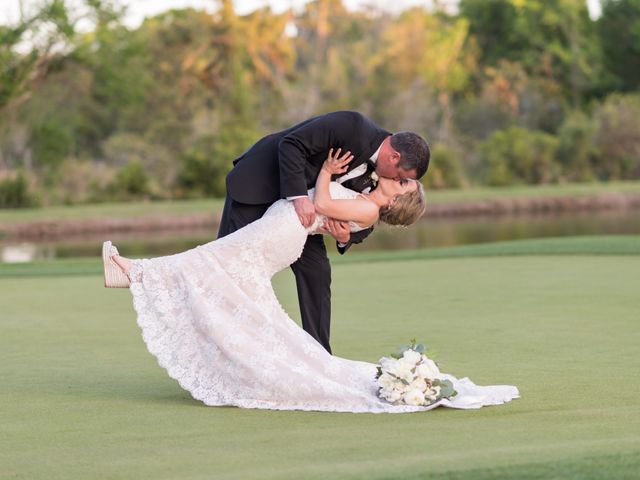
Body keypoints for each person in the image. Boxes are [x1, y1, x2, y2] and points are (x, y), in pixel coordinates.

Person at [102, 149, 519, 413]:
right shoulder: (364, 196)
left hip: (287, 228)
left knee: (216, 260)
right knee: (226, 275)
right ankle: (142, 278)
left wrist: (324, 170)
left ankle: (135, 273)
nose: (398, 176)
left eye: (404, 183)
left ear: (397, 199)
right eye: (404, 175)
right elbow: (328, 209)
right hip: (285, 225)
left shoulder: (370, 211)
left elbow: (319, 202)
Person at [218, 110, 431, 354]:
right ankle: (224, 351)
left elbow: (366, 214)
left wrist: (346, 237)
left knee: (317, 272)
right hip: (260, 187)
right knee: (227, 270)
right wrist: (298, 197)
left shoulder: (382, 183)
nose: (397, 180)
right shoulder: (352, 126)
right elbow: (291, 144)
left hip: (303, 219)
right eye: (401, 176)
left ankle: (319, 356)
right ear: (394, 157)